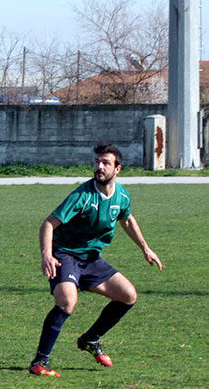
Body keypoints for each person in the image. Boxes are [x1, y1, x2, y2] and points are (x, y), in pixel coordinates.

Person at [29, 141, 163, 377]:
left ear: (117, 169)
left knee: (128, 295)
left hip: (91, 259)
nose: (99, 167)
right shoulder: (82, 195)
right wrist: (46, 255)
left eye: (105, 163)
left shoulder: (121, 195)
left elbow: (127, 220)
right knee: (67, 301)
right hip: (66, 254)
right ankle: (40, 362)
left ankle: (90, 339)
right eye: (97, 162)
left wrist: (145, 248)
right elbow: (49, 223)